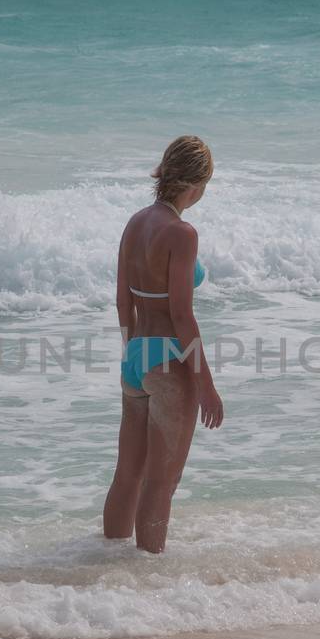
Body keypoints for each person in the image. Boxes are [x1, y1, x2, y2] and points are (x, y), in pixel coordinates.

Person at [103, 136, 224, 552]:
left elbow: (123, 299)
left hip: (134, 356)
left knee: (127, 476)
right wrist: (205, 384)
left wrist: (129, 352)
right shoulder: (182, 233)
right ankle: (147, 585)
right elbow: (182, 316)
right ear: (196, 184)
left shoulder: (135, 223)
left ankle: (107, 565)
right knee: (161, 483)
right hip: (169, 359)